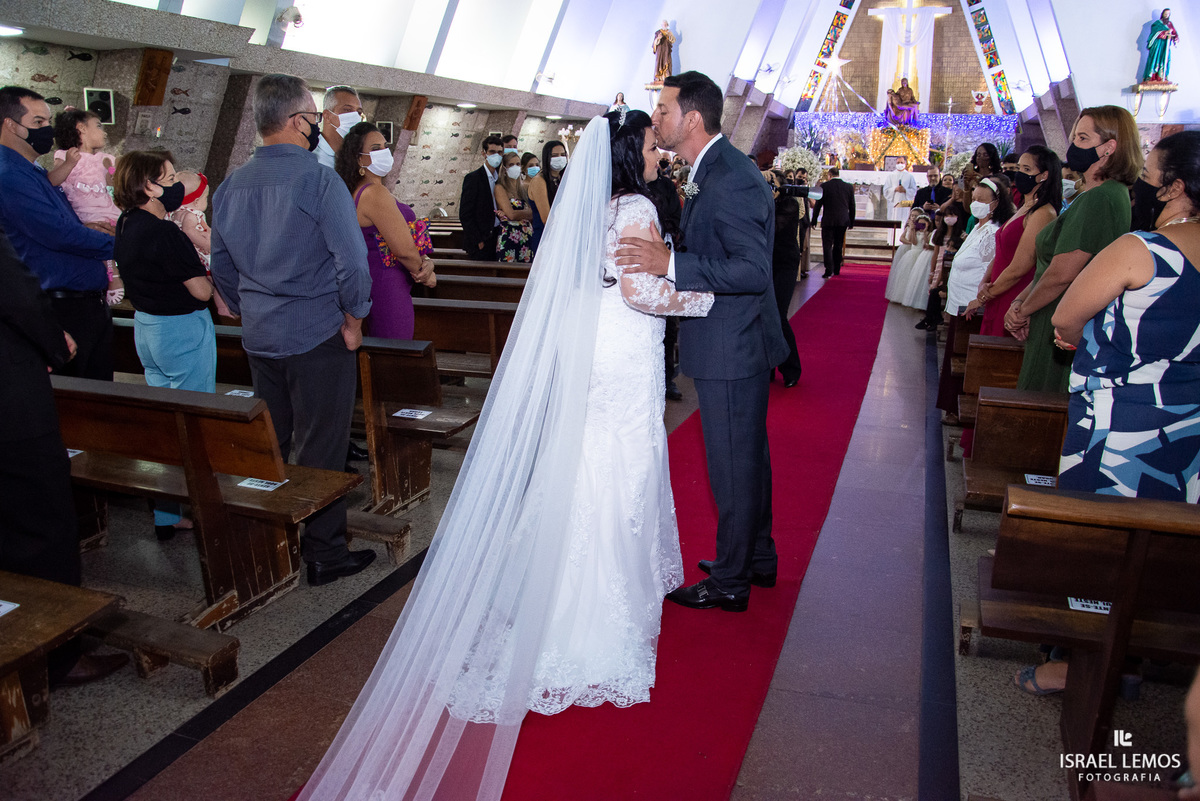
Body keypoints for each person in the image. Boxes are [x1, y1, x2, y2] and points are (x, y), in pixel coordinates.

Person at [298, 110, 713, 801]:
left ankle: (552, 595)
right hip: (626, 350)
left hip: (595, 352)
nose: (655, 150)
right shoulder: (637, 204)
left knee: (586, 468)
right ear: (625, 152)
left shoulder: (594, 208)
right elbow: (644, 292)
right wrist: (706, 294)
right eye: (646, 142)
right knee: (622, 469)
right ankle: (601, 603)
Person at [1014, 132, 1197, 696]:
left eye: (1151, 174)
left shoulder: (1142, 249)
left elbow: (1068, 319)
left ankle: (1081, 662)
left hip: (1122, 426)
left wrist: (1086, 338)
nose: (1140, 183)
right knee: (1166, 547)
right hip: (1189, 428)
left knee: (1103, 545)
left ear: (1175, 188)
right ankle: (1140, 656)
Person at [618, 70, 789, 612]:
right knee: (748, 459)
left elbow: (751, 271)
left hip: (732, 344)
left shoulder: (730, 177)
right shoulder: (710, 169)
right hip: (731, 339)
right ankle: (756, 557)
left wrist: (670, 262)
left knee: (732, 465)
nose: (658, 119)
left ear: (691, 118)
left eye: (664, 110)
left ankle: (732, 581)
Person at [209, 73, 376, 587]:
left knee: (274, 443)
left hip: (261, 336)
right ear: (299, 121)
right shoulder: (319, 181)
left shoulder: (233, 183)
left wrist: (247, 307)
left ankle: (270, 544)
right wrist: (354, 317)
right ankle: (324, 552)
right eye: (311, 118)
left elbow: (222, 265)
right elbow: (352, 263)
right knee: (322, 445)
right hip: (316, 332)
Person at [0, 222, 130, 688]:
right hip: (11, 403)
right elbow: (18, 295)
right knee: (46, 522)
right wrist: (55, 344)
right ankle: (57, 653)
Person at [112, 151, 217, 541]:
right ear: (148, 186)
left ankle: (166, 514)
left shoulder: (126, 223)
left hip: (147, 328)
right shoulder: (164, 232)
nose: (176, 185)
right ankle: (206, 507)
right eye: (169, 178)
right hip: (182, 330)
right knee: (192, 425)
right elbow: (202, 291)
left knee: (166, 426)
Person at [1004, 106, 1140, 392]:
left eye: (1082, 138)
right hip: (1051, 308)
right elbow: (1049, 267)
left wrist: (1022, 310)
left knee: (1040, 406)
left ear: (1109, 148)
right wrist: (1020, 302)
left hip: (1059, 315)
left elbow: (1062, 273)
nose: (1073, 146)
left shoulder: (1100, 199)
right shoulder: (1096, 194)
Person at [0, 86, 115, 381]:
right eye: (38, 123)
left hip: (83, 303)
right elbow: (57, 234)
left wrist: (84, 228)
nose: (48, 130)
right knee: (78, 405)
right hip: (62, 306)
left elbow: (63, 225)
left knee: (98, 400)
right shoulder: (9, 174)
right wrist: (124, 245)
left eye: (48, 121)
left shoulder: (33, 170)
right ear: (11, 125)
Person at [336, 121, 435, 340]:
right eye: (375, 149)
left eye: (384, 146)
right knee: (395, 351)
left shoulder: (364, 190)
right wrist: (427, 274)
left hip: (381, 282)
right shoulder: (372, 194)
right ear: (359, 158)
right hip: (387, 287)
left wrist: (426, 260)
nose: (384, 152)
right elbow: (403, 250)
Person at [936, 177, 1012, 422]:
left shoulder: (992, 231)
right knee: (953, 355)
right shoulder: (979, 226)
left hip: (972, 306)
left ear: (996, 203)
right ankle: (951, 406)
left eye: (982, 200)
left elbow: (990, 270)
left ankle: (959, 409)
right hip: (960, 303)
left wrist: (978, 299)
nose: (976, 203)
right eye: (974, 199)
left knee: (966, 360)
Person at [967, 146, 1062, 336]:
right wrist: (985, 282)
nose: (1019, 174)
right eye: (1019, 168)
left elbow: (1020, 267)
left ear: (1043, 175)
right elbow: (1002, 250)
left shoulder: (1043, 213)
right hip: (998, 289)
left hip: (1013, 293)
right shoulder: (1023, 207)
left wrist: (986, 295)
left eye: (1027, 170)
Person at [50, 107, 123, 305]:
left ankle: (121, 270)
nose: (104, 131)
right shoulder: (65, 155)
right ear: (81, 128)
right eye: (99, 126)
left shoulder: (105, 158)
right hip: (85, 214)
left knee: (120, 234)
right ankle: (112, 276)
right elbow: (53, 181)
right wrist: (68, 165)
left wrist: (113, 172)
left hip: (108, 209)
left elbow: (113, 185)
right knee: (100, 240)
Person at [168, 170, 235, 319]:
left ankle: (223, 306)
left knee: (214, 281)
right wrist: (206, 244)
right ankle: (224, 307)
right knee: (219, 279)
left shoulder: (174, 213)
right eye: (205, 197)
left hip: (188, 256)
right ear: (197, 201)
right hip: (200, 253)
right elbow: (189, 231)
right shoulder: (192, 214)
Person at [765, 169, 802, 387]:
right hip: (765, 263)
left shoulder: (790, 205)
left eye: (772, 182)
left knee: (778, 315)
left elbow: (774, 228)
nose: (769, 187)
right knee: (764, 315)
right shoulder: (763, 202)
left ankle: (791, 369)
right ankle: (767, 367)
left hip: (785, 263)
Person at [461, 134, 505, 260]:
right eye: (492, 152)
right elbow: (465, 214)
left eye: (499, 152)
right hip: (482, 239)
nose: (496, 155)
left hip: (498, 234)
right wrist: (478, 240)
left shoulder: (501, 178)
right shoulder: (473, 178)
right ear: (484, 153)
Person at [812, 166, 855, 277]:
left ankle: (828, 270)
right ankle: (836, 269)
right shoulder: (848, 187)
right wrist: (851, 221)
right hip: (842, 220)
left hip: (828, 220)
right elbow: (852, 205)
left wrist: (814, 220)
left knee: (827, 245)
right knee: (838, 245)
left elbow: (818, 205)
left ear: (829, 175)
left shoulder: (825, 186)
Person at [493, 151, 535, 263]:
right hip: (509, 236)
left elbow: (534, 213)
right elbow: (511, 215)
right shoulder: (500, 188)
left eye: (518, 164)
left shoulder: (524, 188)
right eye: (511, 165)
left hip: (526, 236)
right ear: (505, 169)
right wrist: (527, 212)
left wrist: (520, 214)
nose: (515, 167)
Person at [315, 85, 363, 170]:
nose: (355, 117)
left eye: (358, 112)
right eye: (347, 110)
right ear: (327, 116)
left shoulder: (359, 157)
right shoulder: (310, 154)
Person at [528, 139, 566, 230]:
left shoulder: (563, 178)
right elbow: (546, 219)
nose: (559, 158)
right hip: (545, 234)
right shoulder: (539, 181)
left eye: (563, 155)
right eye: (554, 155)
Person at [883, 156, 917, 244]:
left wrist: (905, 190)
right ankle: (892, 241)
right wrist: (895, 189)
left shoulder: (909, 176)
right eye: (898, 163)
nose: (900, 164)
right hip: (894, 202)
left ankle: (903, 240)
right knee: (893, 220)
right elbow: (886, 190)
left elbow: (914, 190)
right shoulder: (891, 175)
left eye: (902, 162)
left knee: (904, 220)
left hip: (905, 202)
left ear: (905, 164)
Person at [1142, 8, 1179, 83]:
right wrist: (1164, 32)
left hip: (1165, 45)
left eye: (1168, 14)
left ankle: (1162, 76)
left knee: (1165, 59)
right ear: (1162, 14)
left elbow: (1174, 33)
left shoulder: (1170, 24)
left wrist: (1175, 37)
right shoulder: (1157, 23)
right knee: (1155, 58)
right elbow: (1154, 32)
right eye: (1165, 13)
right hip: (1157, 44)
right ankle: (1150, 76)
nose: (1166, 15)